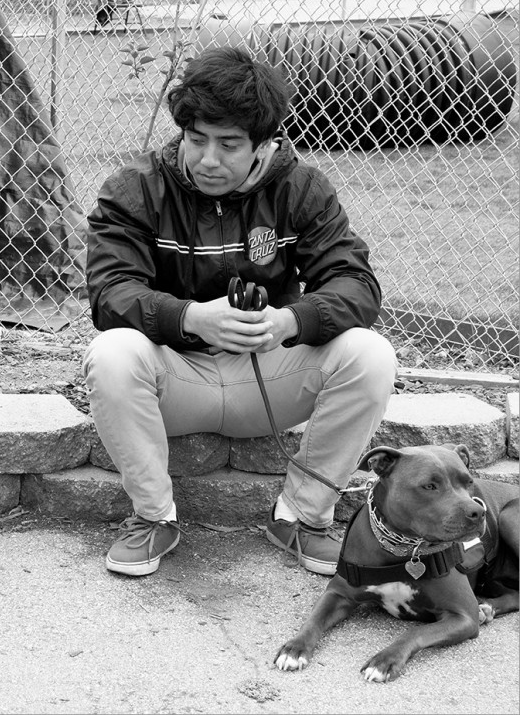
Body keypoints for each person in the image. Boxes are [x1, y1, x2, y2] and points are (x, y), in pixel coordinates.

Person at [82, 46, 397, 578]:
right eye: (196, 139)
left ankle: (302, 517)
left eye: (229, 145)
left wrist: (288, 322)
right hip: (174, 380)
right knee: (111, 352)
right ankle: (154, 518)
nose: (208, 159)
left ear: (265, 144)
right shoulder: (134, 189)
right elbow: (110, 293)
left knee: (370, 354)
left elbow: (357, 284)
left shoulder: (302, 188)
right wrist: (190, 317)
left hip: (268, 379)